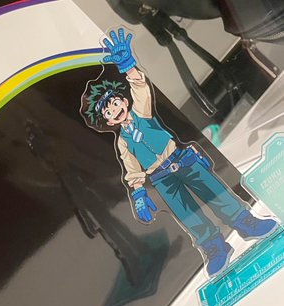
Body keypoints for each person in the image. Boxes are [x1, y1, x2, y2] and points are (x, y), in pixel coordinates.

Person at [80, 28, 279, 277]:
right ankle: (214, 247)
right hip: (161, 179)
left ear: (123, 100)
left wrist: (128, 67)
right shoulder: (122, 142)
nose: (114, 109)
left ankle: (244, 221)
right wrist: (139, 193)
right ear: (108, 121)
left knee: (215, 192)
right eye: (108, 111)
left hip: (183, 161)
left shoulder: (141, 111)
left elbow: (141, 89)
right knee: (187, 214)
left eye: (114, 102)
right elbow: (131, 168)